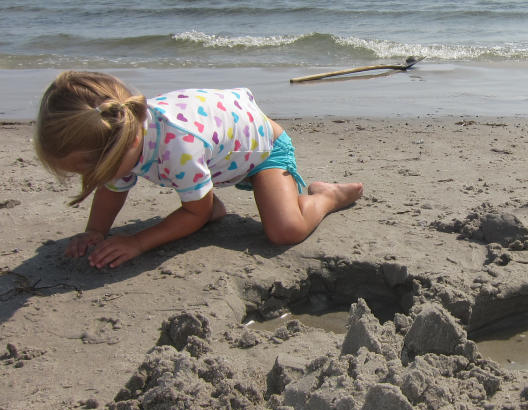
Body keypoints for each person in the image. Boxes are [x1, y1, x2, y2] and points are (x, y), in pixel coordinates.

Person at [34, 71, 363, 268]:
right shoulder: (121, 130)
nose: (91, 179)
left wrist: (137, 242)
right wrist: (96, 231)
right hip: (222, 153)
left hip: (260, 149)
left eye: (89, 170)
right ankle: (210, 206)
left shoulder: (179, 146)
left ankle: (328, 196)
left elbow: (193, 212)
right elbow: (112, 189)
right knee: (199, 207)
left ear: (127, 144)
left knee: (285, 231)